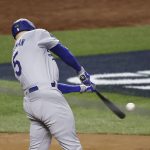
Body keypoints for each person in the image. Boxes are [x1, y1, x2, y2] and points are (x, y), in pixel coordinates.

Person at [11, 18, 95, 150]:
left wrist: (82, 88)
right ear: (31, 28)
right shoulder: (37, 34)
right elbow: (61, 50)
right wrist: (80, 71)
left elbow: (47, 86)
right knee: (72, 146)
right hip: (48, 102)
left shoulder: (16, 52)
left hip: (31, 104)